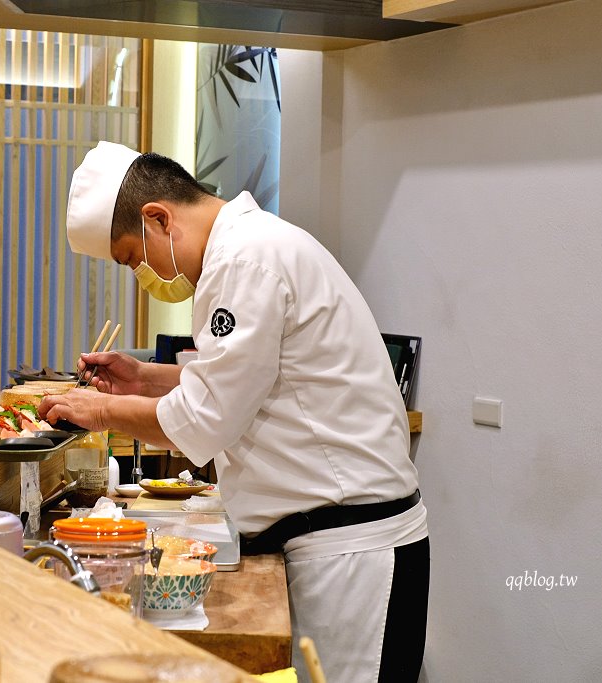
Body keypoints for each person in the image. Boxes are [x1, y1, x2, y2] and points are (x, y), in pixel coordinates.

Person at [39, 141, 430, 682]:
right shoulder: (253, 245)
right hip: (335, 542)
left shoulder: (244, 260)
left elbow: (207, 417)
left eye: (133, 257)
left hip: (352, 552)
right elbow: (247, 382)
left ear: (158, 218)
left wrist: (101, 410)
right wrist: (144, 377)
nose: (142, 274)